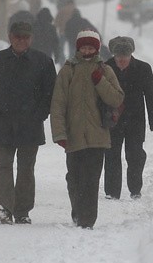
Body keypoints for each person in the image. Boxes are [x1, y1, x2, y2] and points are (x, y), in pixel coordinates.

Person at [0, 21, 57, 225]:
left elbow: (50, 93)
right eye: (17, 37)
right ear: (10, 37)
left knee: (26, 168)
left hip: (30, 125)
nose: (21, 41)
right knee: (3, 165)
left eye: (25, 37)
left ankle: (22, 210)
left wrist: (40, 114)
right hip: (2, 124)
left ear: (31, 38)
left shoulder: (43, 62)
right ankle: (4, 207)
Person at [50, 30, 124, 229]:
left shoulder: (104, 70)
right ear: (78, 48)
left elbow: (117, 98)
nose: (87, 50)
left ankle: (87, 219)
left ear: (97, 49)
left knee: (91, 180)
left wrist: (99, 81)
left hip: (97, 136)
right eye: (84, 47)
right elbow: (58, 104)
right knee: (74, 179)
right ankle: (77, 211)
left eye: (91, 47)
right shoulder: (68, 70)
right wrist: (59, 133)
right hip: (73, 136)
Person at [103, 36, 153, 200]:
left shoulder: (143, 69)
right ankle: (112, 191)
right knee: (112, 154)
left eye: (125, 58)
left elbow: (150, 94)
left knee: (135, 154)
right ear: (114, 56)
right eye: (118, 58)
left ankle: (135, 189)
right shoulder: (106, 67)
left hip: (135, 119)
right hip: (112, 119)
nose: (121, 61)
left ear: (131, 56)